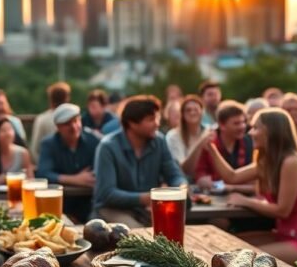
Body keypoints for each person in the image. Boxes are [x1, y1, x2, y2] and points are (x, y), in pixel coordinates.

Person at [201, 108, 297, 263]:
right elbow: (232, 177)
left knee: (238, 260)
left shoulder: (292, 162)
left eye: (255, 127)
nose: (250, 133)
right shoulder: (269, 163)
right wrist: (211, 148)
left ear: (271, 131)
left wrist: (245, 201)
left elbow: (283, 210)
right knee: (226, 245)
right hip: (284, 235)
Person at [93, 96, 187, 228]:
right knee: (139, 235)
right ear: (132, 123)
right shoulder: (108, 147)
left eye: (157, 118)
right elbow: (107, 194)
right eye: (151, 119)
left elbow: (174, 174)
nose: (157, 124)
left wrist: (181, 188)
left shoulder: (159, 141)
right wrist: (146, 198)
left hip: (147, 209)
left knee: (174, 228)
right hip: (113, 210)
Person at [36, 103, 100, 223]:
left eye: (76, 121)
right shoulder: (48, 144)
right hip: (61, 206)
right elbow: (43, 173)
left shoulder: (94, 140)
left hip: (89, 204)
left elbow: (99, 172)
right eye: (67, 124)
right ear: (58, 127)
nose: (74, 126)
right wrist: (74, 179)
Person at [193, 100, 256, 194]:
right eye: (236, 123)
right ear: (222, 125)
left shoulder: (250, 143)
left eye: (243, 122)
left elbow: (256, 182)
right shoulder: (209, 143)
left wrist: (229, 186)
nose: (242, 126)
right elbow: (200, 173)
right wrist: (203, 179)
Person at [165, 94, 207, 178]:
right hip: (184, 181)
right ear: (182, 114)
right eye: (188, 110)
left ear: (202, 112)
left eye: (196, 109)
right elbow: (182, 169)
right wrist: (201, 143)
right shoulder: (173, 136)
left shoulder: (210, 131)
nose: (192, 112)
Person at [30, 82, 72, 161]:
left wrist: (43, 167)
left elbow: (35, 149)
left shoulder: (41, 119)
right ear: (67, 98)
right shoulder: (73, 119)